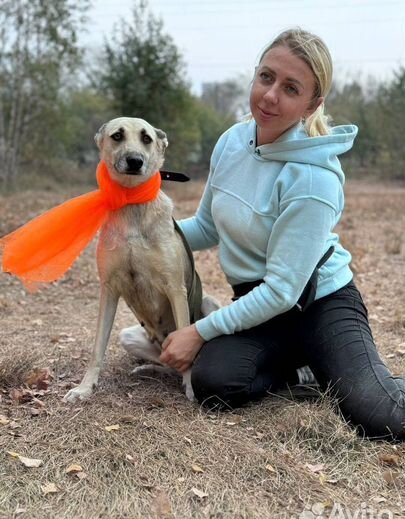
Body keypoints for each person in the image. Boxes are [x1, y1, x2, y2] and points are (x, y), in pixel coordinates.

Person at [122, 28, 405, 441]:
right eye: (266, 77)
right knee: (213, 384)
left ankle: (342, 368)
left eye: (291, 88)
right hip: (259, 307)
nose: (271, 95)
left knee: (377, 414)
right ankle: (307, 370)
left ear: (313, 104)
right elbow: (205, 227)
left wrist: (197, 331)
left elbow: (282, 291)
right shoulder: (232, 142)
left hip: (319, 303)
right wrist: (139, 238)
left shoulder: (314, 178)